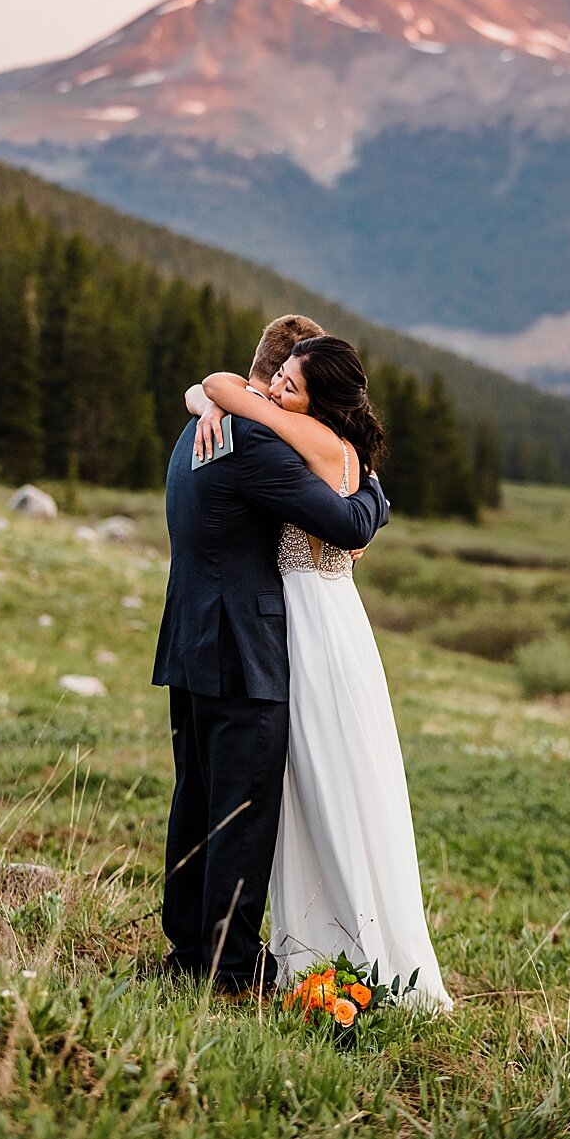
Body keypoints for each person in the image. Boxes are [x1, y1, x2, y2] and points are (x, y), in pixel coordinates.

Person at [195, 334, 451, 1009]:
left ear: (322, 402)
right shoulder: (340, 451)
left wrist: (225, 403)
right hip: (318, 620)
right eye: (278, 374)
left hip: (311, 624)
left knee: (325, 780)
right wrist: (218, 403)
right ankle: (317, 941)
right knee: (316, 783)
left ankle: (347, 946)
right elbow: (222, 388)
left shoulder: (302, 437)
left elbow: (222, 385)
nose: (277, 389)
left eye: (291, 383)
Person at [152, 315, 388, 994]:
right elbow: (346, 525)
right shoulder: (254, 440)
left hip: (191, 640)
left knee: (196, 802)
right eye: (289, 382)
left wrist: (204, 394)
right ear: (288, 381)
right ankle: (226, 970)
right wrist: (374, 486)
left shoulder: (198, 425)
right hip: (242, 651)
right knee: (241, 814)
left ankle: (190, 953)